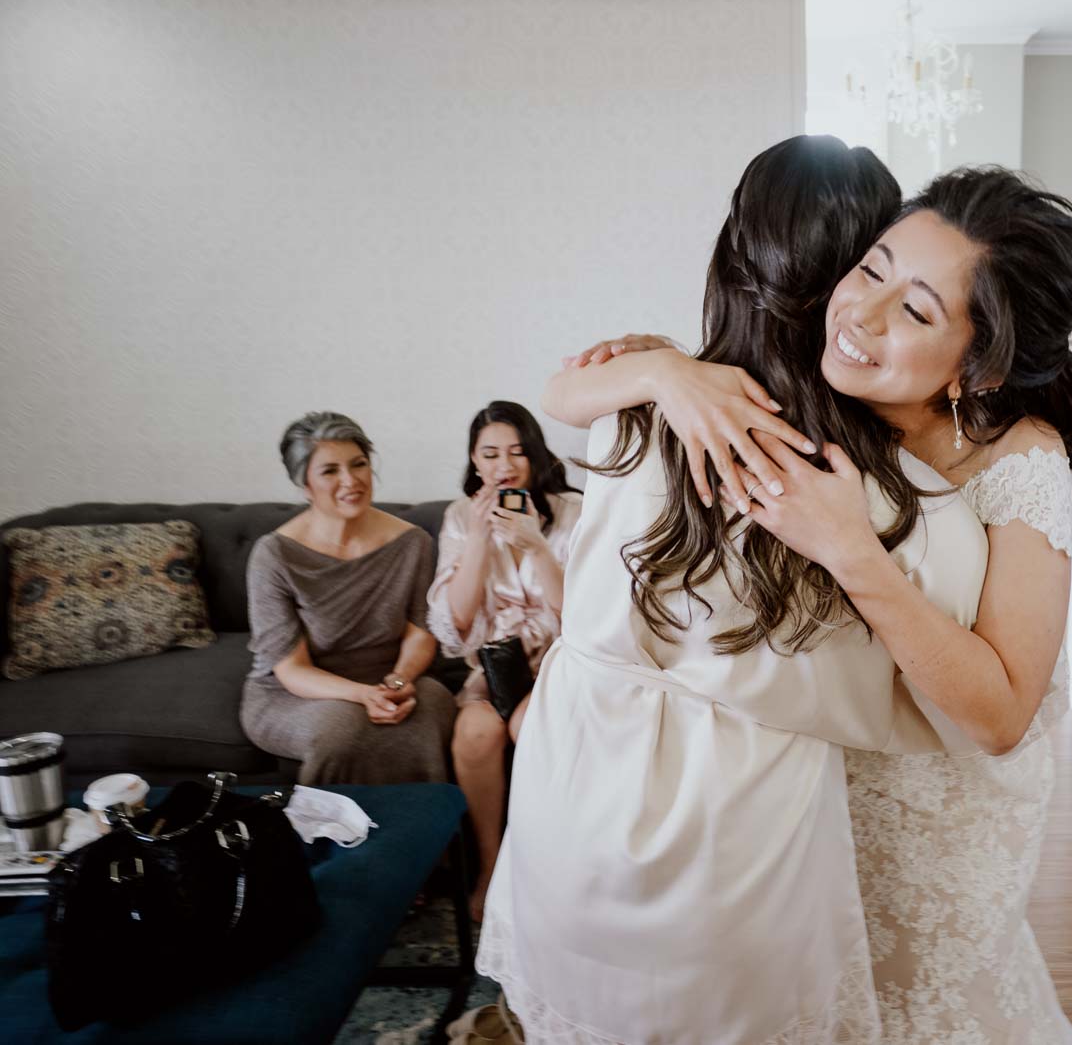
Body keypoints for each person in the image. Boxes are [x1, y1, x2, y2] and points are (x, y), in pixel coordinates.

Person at [476, 136, 996, 1045]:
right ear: (849, 278)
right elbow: (970, 702)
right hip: (738, 840)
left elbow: (562, 393)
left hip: (576, 794)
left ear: (729, 254)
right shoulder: (890, 495)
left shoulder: (634, 413)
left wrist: (658, 369)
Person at [564, 166, 1072, 1042]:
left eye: (918, 310)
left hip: (943, 802)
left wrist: (853, 550)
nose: (861, 313)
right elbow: (573, 397)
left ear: (981, 361)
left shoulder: (1023, 462)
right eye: (871, 269)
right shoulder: (814, 386)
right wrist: (661, 368)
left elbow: (1003, 715)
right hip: (810, 776)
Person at [426, 399, 581, 919]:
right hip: (493, 667)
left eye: (517, 451)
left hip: (563, 664)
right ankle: (492, 867)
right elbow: (456, 624)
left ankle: (545, 869)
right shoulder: (457, 517)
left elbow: (584, 618)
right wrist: (477, 539)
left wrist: (537, 546)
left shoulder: (574, 511)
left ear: (535, 455)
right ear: (474, 461)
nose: (504, 465)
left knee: (525, 723)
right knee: (474, 732)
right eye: (490, 454)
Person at [242, 412, 454, 784]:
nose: (351, 480)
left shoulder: (413, 542)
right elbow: (291, 669)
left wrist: (399, 681)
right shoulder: (274, 555)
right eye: (330, 471)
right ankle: (326, 838)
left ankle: (428, 838)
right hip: (298, 692)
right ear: (303, 483)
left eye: (359, 464)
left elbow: (421, 630)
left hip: (387, 676)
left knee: (433, 704)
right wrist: (363, 695)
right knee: (341, 729)